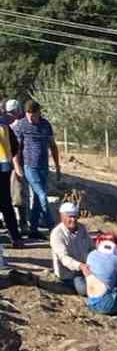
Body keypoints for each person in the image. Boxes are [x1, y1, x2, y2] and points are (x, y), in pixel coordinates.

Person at [11, 99, 60, 242]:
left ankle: (33, 229)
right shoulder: (21, 126)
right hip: (29, 166)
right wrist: (17, 167)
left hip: (44, 166)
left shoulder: (45, 125)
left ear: (39, 113)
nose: (30, 118)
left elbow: (53, 146)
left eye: (33, 115)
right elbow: (16, 149)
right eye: (28, 115)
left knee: (38, 200)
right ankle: (53, 229)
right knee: (43, 195)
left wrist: (57, 166)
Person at [50, 199, 92, 294]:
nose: (73, 220)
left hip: (86, 269)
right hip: (69, 275)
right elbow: (63, 258)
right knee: (84, 290)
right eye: (70, 217)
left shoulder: (82, 228)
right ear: (62, 217)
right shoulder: (57, 234)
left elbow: (91, 248)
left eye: (75, 217)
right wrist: (80, 266)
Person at [0, 112, 21, 249]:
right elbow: (15, 146)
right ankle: (16, 238)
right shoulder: (4, 124)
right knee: (6, 204)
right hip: (4, 168)